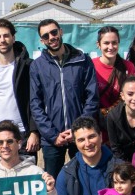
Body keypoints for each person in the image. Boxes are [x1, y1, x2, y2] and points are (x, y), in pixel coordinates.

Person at [29, 19, 99, 179]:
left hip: (81, 135)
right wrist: (53, 135)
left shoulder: (82, 60)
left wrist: (78, 130)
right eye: (46, 36)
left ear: (60, 32)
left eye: (54, 32)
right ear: (42, 40)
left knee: (85, 179)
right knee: (52, 182)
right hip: (53, 138)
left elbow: (92, 97)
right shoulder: (37, 66)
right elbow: (35, 104)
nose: (51, 37)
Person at [0, 18, 39, 162]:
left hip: (23, 135)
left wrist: (34, 131)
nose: (3, 40)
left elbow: (36, 101)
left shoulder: (29, 67)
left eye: (6, 35)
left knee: (27, 179)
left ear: (13, 38)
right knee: (2, 182)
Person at [92, 26, 135, 140]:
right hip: (96, 124)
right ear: (98, 44)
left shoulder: (128, 67)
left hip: (119, 124)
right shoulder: (90, 66)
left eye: (114, 43)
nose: (110, 47)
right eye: (106, 43)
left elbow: (130, 96)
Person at [105, 76, 135, 163]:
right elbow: (115, 148)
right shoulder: (113, 117)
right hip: (122, 163)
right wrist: (126, 168)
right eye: (130, 94)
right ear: (122, 96)